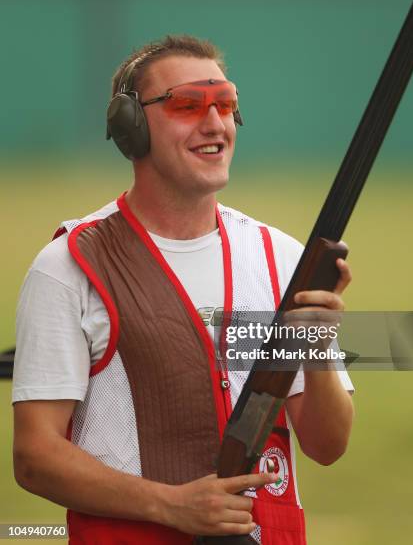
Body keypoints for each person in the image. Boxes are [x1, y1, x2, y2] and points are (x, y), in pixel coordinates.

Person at [13, 34, 354, 544]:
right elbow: (34, 457)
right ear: (130, 128)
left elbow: (328, 444)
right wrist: (170, 505)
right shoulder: (68, 267)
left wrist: (318, 344)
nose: (215, 124)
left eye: (226, 106)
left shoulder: (281, 259)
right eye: (187, 106)